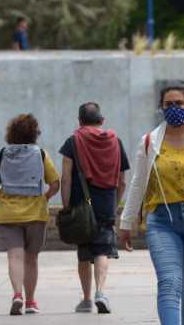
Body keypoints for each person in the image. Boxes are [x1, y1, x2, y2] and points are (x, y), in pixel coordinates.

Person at [118, 84, 184, 325]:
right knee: (169, 282)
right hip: (161, 222)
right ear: (161, 108)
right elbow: (138, 183)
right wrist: (126, 222)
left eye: (179, 103)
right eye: (168, 104)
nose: (174, 108)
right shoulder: (149, 142)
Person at [59, 103, 130, 314]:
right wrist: (115, 203)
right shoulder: (116, 142)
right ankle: (101, 292)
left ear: (80, 121)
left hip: (81, 205)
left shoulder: (73, 142)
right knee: (102, 251)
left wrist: (66, 207)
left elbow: (66, 178)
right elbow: (122, 180)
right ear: (102, 120)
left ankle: (87, 299)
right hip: (106, 202)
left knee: (84, 252)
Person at [0, 114, 60, 316]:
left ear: (11, 133)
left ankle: (17, 294)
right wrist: (44, 197)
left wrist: (2, 193)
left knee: (14, 257)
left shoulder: (0, 154)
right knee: (31, 259)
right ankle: (31, 302)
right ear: (34, 133)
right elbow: (55, 183)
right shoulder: (41, 154)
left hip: (8, 213)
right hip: (35, 213)